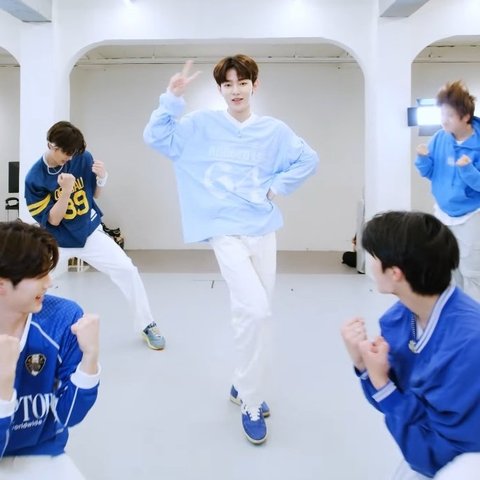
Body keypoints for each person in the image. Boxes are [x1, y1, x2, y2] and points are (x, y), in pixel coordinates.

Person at [143, 55, 318, 444]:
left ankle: (243, 381)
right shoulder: (202, 125)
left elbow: (308, 159)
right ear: (220, 89)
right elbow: (157, 138)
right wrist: (171, 99)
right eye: (227, 84)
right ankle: (251, 401)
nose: (235, 91)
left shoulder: (273, 131)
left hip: (263, 231)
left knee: (252, 313)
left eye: (242, 83)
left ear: (255, 85)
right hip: (224, 231)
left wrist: (276, 187)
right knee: (256, 311)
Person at [340, 211, 480, 479]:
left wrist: (381, 381)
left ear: (395, 273)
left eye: (373, 257)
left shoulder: (468, 347)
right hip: (429, 452)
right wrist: (363, 365)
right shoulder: (398, 320)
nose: (370, 264)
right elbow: (394, 404)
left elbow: (434, 455)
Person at [25, 121, 165, 350]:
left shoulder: (82, 157)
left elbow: (95, 194)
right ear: (51, 145)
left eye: (73, 153)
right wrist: (66, 191)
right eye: (66, 153)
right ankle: (21, 328)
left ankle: (146, 324)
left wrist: (102, 178)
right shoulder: (34, 178)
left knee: (127, 270)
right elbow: (54, 220)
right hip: (58, 242)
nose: (70, 158)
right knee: (31, 281)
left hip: (89, 233)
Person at [0, 221, 100, 480]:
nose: (49, 283)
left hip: (41, 451)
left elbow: (69, 416)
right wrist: (3, 385)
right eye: (39, 275)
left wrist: (90, 360)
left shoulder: (64, 317)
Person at [415, 80, 480, 301]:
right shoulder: (440, 138)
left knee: (472, 271)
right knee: (447, 268)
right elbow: (429, 172)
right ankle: (454, 313)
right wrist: (422, 159)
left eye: (450, 115)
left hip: (472, 214)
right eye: (442, 114)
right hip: (443, 212)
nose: (444, 120)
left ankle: (474, 316)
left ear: (465, 116)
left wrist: (468, 170)